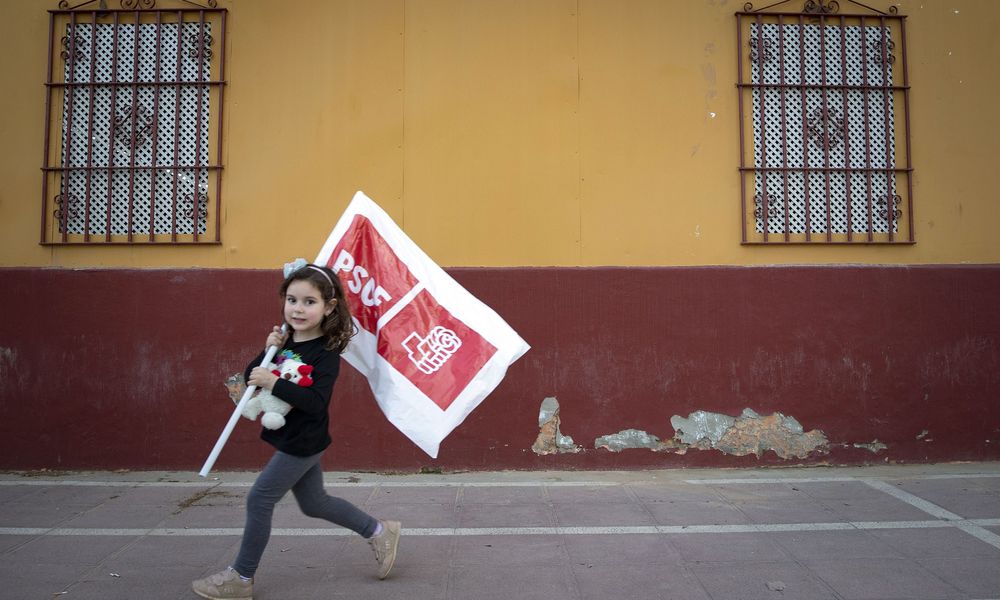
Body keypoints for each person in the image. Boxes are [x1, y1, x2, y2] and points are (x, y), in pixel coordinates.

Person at [192, 262, 401, 600]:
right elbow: (252, 378)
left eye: (309, 302)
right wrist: (267, 350)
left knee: (259, 499)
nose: (298, 309)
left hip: (303, 442)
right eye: (292, 300)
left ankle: (241, 577)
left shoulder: (326, 354)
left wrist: (274, 382)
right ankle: (379, 531)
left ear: (329, 306)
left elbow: (316, 402)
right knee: (315, 503)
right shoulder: (286, 340)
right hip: (292, 437)